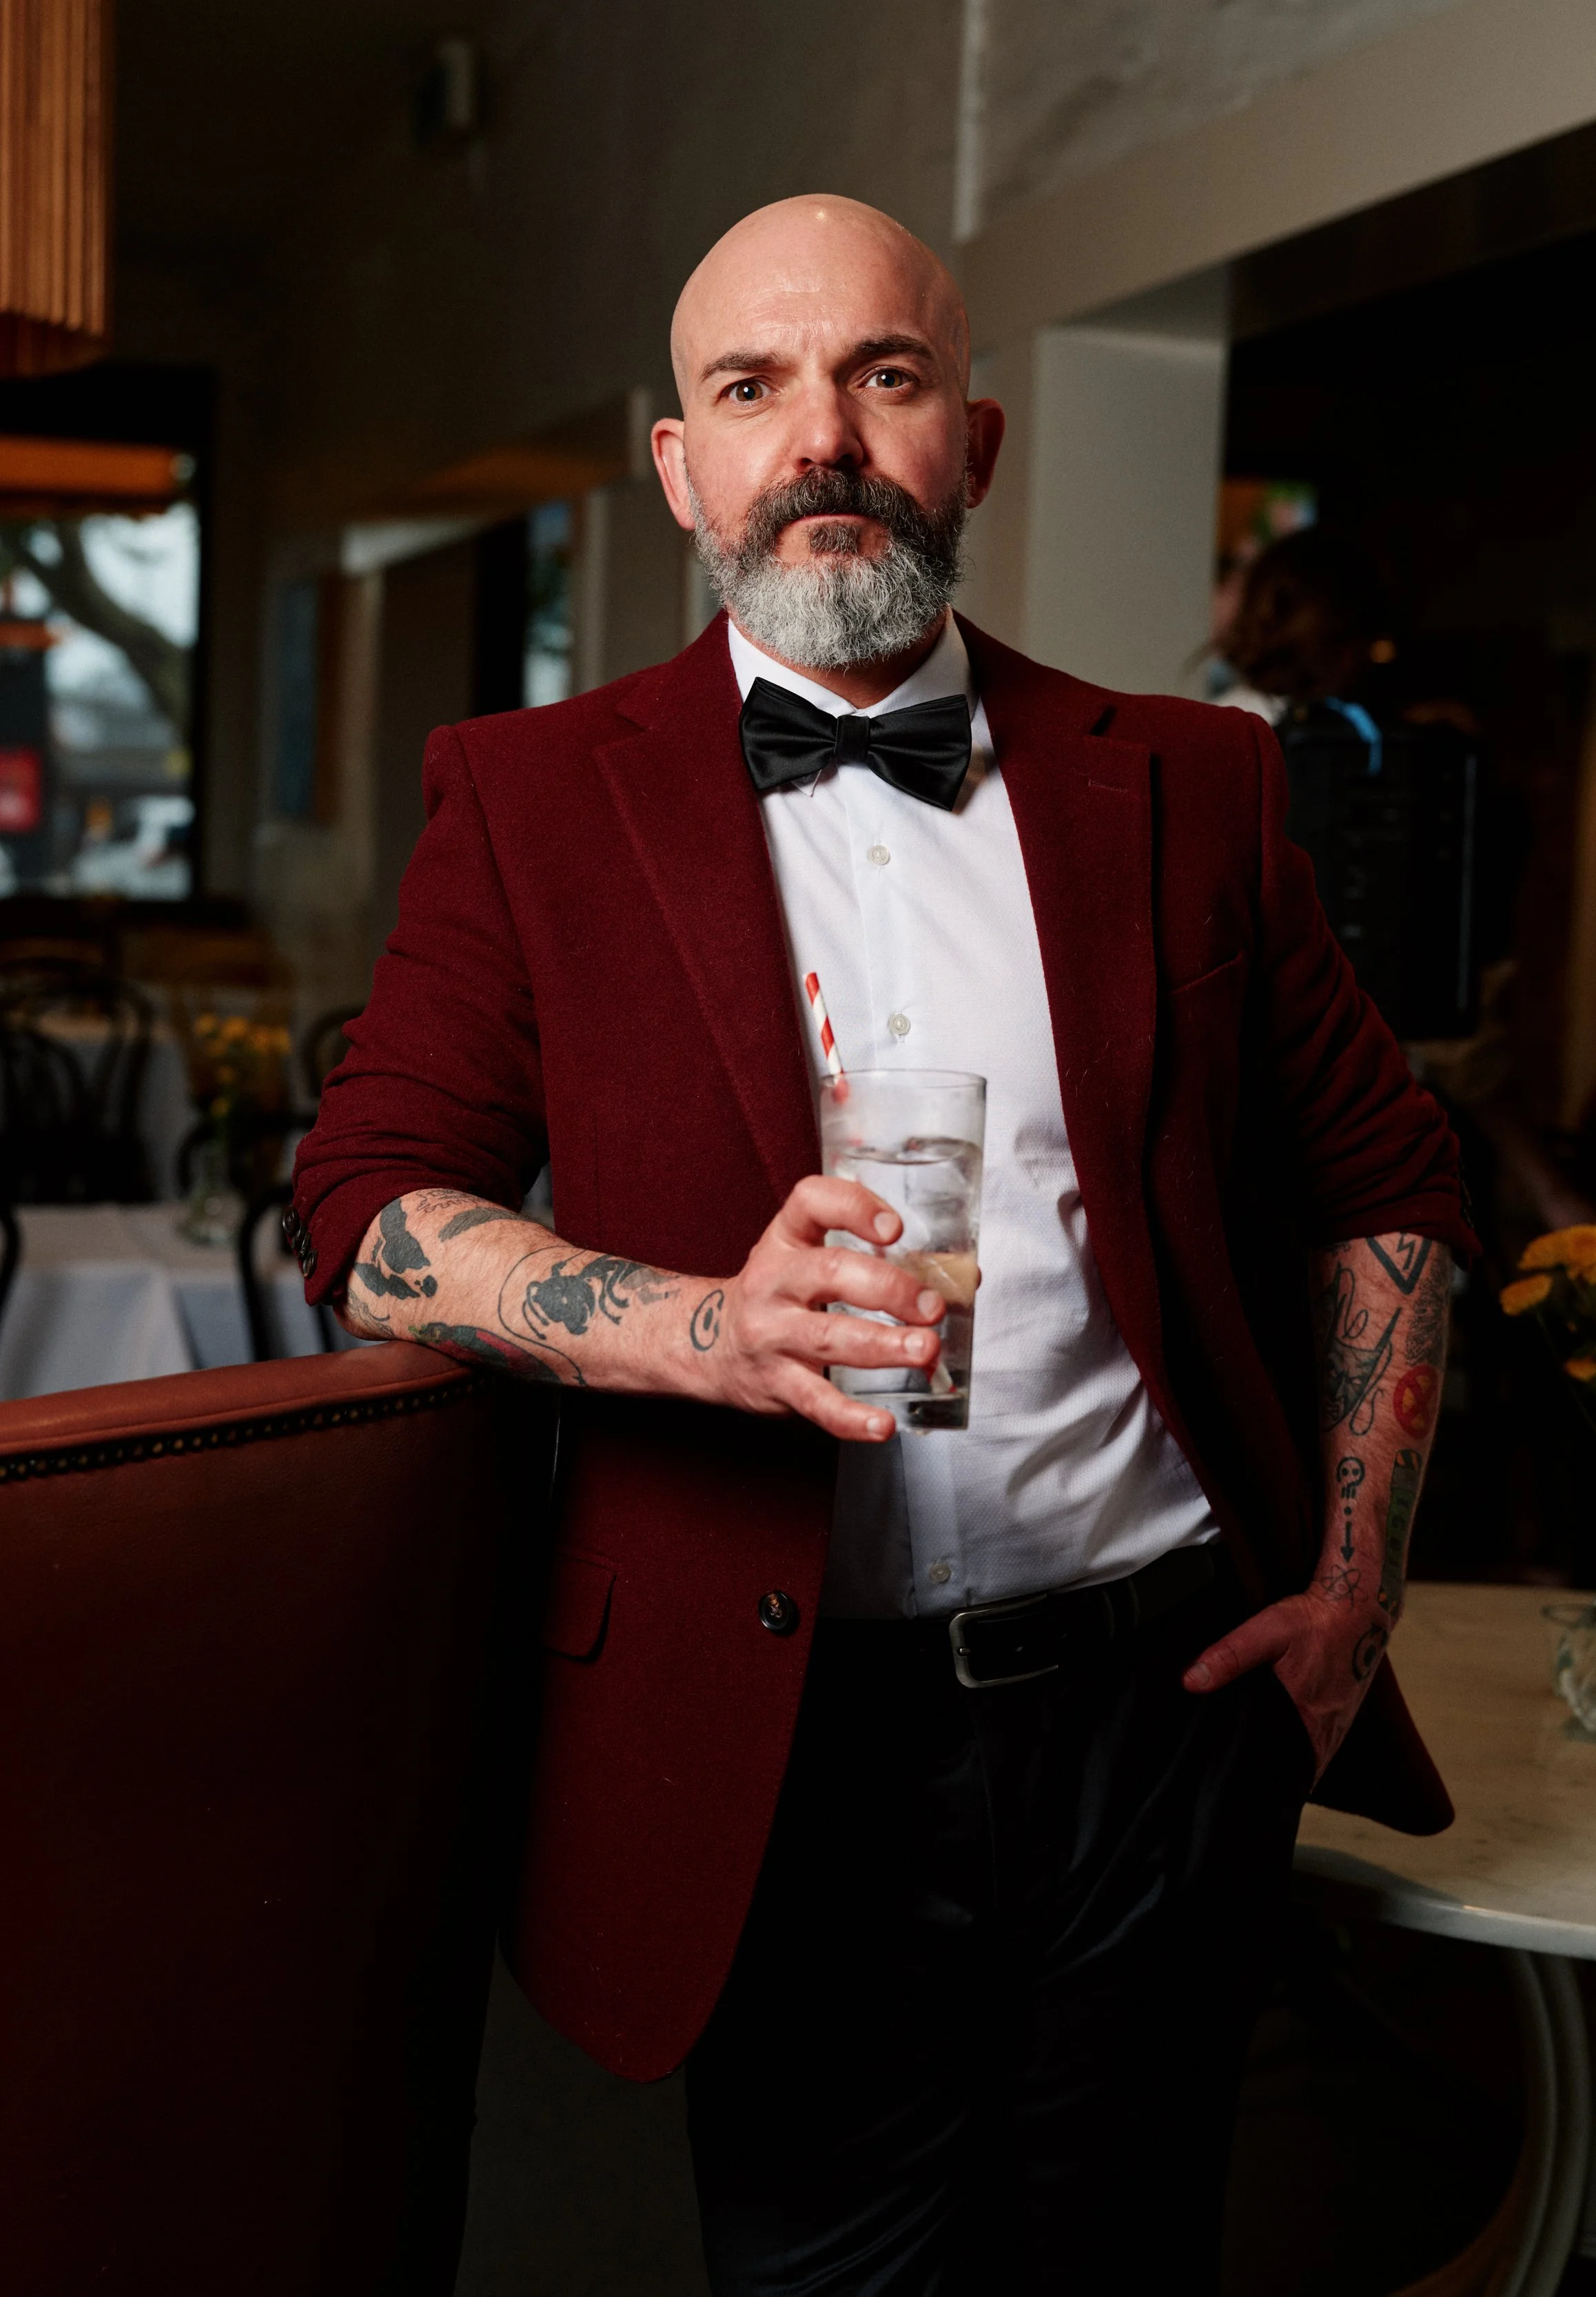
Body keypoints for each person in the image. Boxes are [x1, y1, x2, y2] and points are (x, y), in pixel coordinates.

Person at [290, 195, 1473, 2295]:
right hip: (780, 1745)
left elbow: (1385, 1174)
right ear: (681, 467)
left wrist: (1351, 1591)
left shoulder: (1195, 782)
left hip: (1157, 1709)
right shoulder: (531, 796)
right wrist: (702, 1327)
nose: (820, 435)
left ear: (974, 443)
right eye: (752, 387)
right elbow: (367, 1210)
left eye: (884, 376)